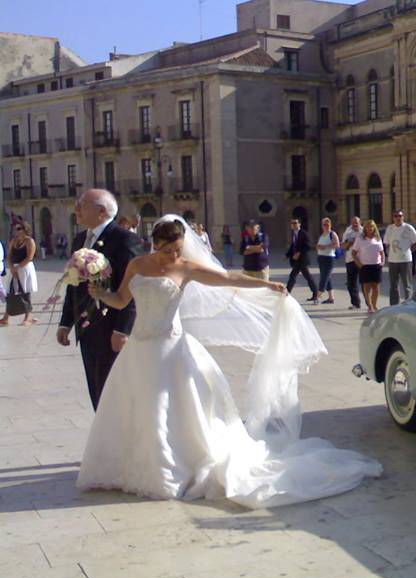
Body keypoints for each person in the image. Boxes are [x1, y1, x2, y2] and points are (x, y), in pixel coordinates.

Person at [78, 216, 381, 507]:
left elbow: (226, 278)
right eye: (167, 249)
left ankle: (168, 471)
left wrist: (266, 285)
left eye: (178, 249)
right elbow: (120, 300)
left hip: (171, 348)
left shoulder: (185, 268)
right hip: (139, 350)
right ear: (154, 243)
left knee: (167, 409)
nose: (172, 254)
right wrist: (99, 292)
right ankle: (128, 466)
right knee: (136, 408)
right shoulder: (137, 265)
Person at [56, 189, 142, 409]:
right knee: (96, 391)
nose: (76, 209)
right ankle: (103, 438)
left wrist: (122, 329)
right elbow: (73, 285)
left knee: (112, 392)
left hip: (110, 327)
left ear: (102, 211)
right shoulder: (79, 240)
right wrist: (66, 322)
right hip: (87, 329)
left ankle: (119, 438)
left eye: (82, 205)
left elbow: (133, 288)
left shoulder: (124, 239)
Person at [1, 221, 39, 326]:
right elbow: (8, 256)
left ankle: (28, 317)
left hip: (25, 268)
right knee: (11, 292)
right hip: (14, 269)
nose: (16, 231)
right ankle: (6, 318)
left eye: (19, 229)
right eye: (15, 229)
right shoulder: (13, 241)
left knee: (25, 292)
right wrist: (12, 267)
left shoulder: (29, 241)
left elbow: (29, 257)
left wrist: (18, 267)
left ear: (24, 229)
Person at [383, 210, 416, 305]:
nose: (398, 218)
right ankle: (394, 304)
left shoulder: (408, 228)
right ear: (393, 218)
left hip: (405, 260)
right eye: (395, 216)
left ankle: (409, 303)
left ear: (403, 217)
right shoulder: (390, 228)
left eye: (400, 216)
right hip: (393, 260)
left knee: (407, 284)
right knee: (393, 285)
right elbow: (386, 243)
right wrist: (389, 254)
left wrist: (408, 251)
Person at [352, 219, 385, 313]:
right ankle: (369, 305)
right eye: (368, 226)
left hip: (376, 265)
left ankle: (374, 305)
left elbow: (382, 252)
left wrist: (382, 262)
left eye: (371, 226)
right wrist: (359, 264)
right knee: (366, 287)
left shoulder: (377, 239)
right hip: (365, 266)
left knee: (376, 287)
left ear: (374, 228)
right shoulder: (360, 239)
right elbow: (354, 253)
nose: (370, 228)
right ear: (365, 228)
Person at [285, 217, 320, 302]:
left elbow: (308, 245)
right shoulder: (294, 234)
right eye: (292, 223)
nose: (293, 225)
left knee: (296, 276)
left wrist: (299, 253)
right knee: (304, 276)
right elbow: (293, 246)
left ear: (299, 224)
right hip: (297, 260)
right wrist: (287, 255)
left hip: (302, 260)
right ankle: (315, 293)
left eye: (295, 223)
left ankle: (286, 293)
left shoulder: (303, 233)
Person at [314, 217, 339, 304]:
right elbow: (318, 245)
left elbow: (337, 244)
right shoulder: (322, 235)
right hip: (321, 257)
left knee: (324, 277)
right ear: (322, 226)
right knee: (327, 278)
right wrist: (318, 247)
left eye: (327, 224)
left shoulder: (332, 234)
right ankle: (331, 298)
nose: (326, 226)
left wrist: (325, 246)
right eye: (324, 224)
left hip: (329, 258)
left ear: (330, 225)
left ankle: (318, 295)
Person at [341, 217, 363, 309]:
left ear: (360, 223)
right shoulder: (348, 232)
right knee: (351, 283)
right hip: (350, 259)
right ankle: (355, 303)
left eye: (356, 222)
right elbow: (343, 246)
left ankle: (370, 303)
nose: (355, 224)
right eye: (353, 222)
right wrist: (350, 243)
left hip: (362, 260)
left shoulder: (363, 232)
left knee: (365, 283)